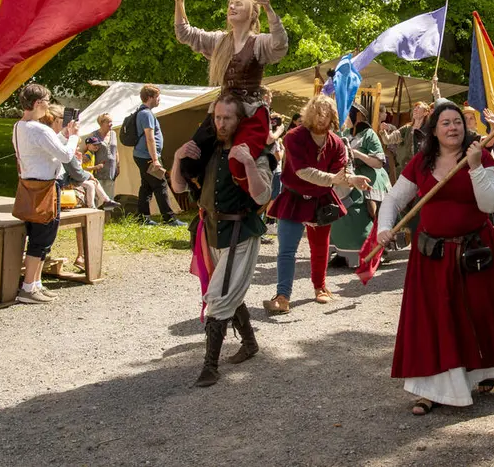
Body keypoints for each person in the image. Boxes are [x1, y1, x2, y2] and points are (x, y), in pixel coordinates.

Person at [373, 101, 494, 415]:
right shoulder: (422, 163)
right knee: (433, 321)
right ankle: (428, 390)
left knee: (479, 315)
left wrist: (475, 166)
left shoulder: (481, 157)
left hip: (475, 252)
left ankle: (480, 371)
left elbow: (490, 204)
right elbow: (394, 198)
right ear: (434, 130)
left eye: (458, 122)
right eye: (445, 123)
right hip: (432, 255)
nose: (453, 128)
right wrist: (384, 228)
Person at [171, 94, 273, 387]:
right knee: (228, 291)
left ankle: (210, 366)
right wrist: (178, 158)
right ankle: (250, 343)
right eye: (217, 117)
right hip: (212, 231)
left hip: (241, 233)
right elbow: (178, 186)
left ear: (240, 120)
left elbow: (262, 196)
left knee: (218, 297)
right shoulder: (208, 151)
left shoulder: (257, 151)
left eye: (227, 118)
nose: (221, 123)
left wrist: (249, 164)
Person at [171, 0, 289, 194]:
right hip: (222, 111)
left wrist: (270, 11)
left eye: (238, 4)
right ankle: (204, 199)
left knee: (238, 163)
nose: (232, 7)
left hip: (250, 112)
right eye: (231, 4)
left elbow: (279, 45)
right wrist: (180, 3)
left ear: (252, 14)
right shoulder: (219, 41)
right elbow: (184, 33)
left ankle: (253, 196)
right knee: (189, 161)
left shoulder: (259, 43)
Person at [263, 94, 370, 314]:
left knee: (320, 248)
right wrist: (334, 179)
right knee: (286, 250)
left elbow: (341, 172)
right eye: (319, 113)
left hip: (321, 201)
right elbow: (303, 172)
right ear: (311, 113)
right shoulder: (294, 137)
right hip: (293, 198)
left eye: (327, 114)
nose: (322, 119)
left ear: (333, 116)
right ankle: (283, 296)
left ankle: (320, 287)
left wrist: (353, 179)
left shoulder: (337, 143)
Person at [12, 84, 79, 304]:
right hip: (45, 188)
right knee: (42, 239)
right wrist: (74, 137)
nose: (48, 106)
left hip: (29, 186)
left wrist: (63, 134)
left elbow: (47, 149)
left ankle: (36, 284)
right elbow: (66, 155)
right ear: (39, 103)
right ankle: (28, 288)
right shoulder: (39, 129)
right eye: (47, 101)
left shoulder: (20, 126)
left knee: (41, 238)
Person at [330, 103, 392, 267]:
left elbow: (378, 162)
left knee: (365, 212)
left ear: (356, 116)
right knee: (338, 211)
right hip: (348, 176)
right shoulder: (344, 133)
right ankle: (342, 252)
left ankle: (375, 251)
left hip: (369, 175)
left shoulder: (369, 134)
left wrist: (356, 153)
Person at [133, 84, 183, 226]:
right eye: (157, 97)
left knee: (146, 187)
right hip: (148, 157)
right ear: (150, 98)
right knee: (160, 185)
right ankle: (169, 218)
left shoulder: (142, 112)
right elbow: (150, 138)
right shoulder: (146, 114)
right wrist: (155, 160)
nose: (159, 100)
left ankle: (142, 218)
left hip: (142, 155)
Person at [91, 113, 119, 199]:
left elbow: (116, 151)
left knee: (109, 197)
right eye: (109, 122)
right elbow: (87, 149)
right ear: (102, 123)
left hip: (111, 170)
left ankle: (108, 212)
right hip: (98, 171)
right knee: (97, 196)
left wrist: (118, 165)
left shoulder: (113, 134)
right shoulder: (94, 135)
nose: (111, 124)